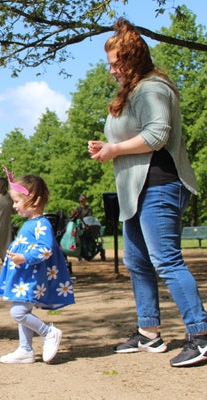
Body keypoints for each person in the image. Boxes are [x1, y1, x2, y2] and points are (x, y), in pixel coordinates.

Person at [89, 18, 207, 367]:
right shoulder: (133, 90)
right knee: (137, 262)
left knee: (166, 260)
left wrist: (114, 150)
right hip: (134, 190)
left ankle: (200, 336)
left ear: (133, 59)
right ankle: (149, 333)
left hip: (159, 185)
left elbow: (157, 135)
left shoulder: (152, 88)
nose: (111, 71)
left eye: (115, 63)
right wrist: (107, 146)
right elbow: (131, 136)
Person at [0, 170, 74, 364]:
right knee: (22, 311)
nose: (14, 206)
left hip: (32, 279)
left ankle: (48, 333)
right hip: (25, 279)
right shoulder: (31, 223)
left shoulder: (41, 223)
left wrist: (24, 257)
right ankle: (25, 349)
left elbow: (46, 250)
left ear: (34, 201)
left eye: (17, 201)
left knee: (18, 312)